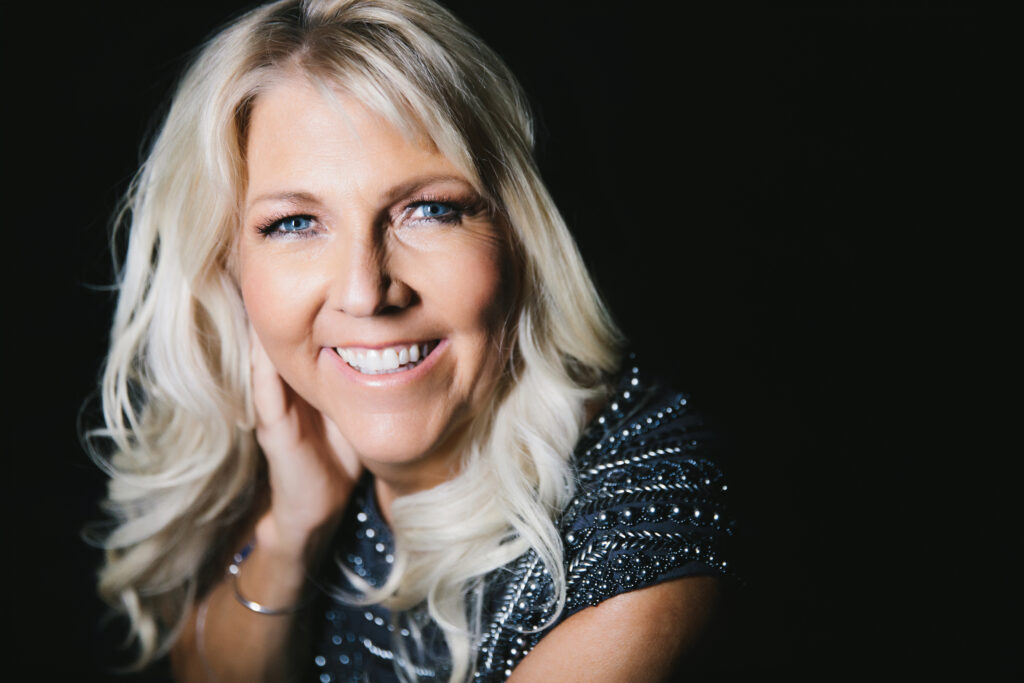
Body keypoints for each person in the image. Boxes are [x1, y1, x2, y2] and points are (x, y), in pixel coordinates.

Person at [90, 1, 733, 680]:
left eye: (429, 209)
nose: (365, 292)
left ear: (517, 233)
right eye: (295, 223)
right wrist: (295, 525)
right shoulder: (295, 455)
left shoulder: (646, 525)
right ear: (229, 265)